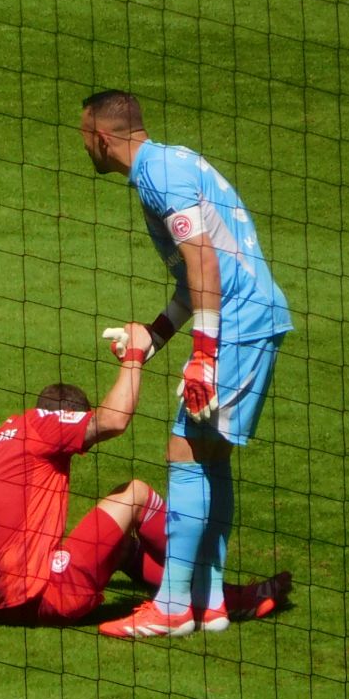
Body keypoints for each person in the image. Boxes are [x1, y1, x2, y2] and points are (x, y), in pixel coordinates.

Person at [79, 90, 293, 637]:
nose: (83, 143)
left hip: (239, 323)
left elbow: (204, 264)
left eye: (84, 134)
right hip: (249, 316)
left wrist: (202, 354)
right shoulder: (169, 163)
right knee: (209, 455)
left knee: (184, 447)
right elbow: (191, 281)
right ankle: (211, 601)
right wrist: (154, 336)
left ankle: (172, 607)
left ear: (102, 137)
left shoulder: (159, 177)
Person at [0, 330, 290, 627]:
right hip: (47, 597)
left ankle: (204, 596)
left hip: (1, 604)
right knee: (134, 495)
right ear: (67, 419)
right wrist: (133, 358)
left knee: (117, 545)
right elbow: (112, 421)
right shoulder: (44, 425)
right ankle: (209, 600)